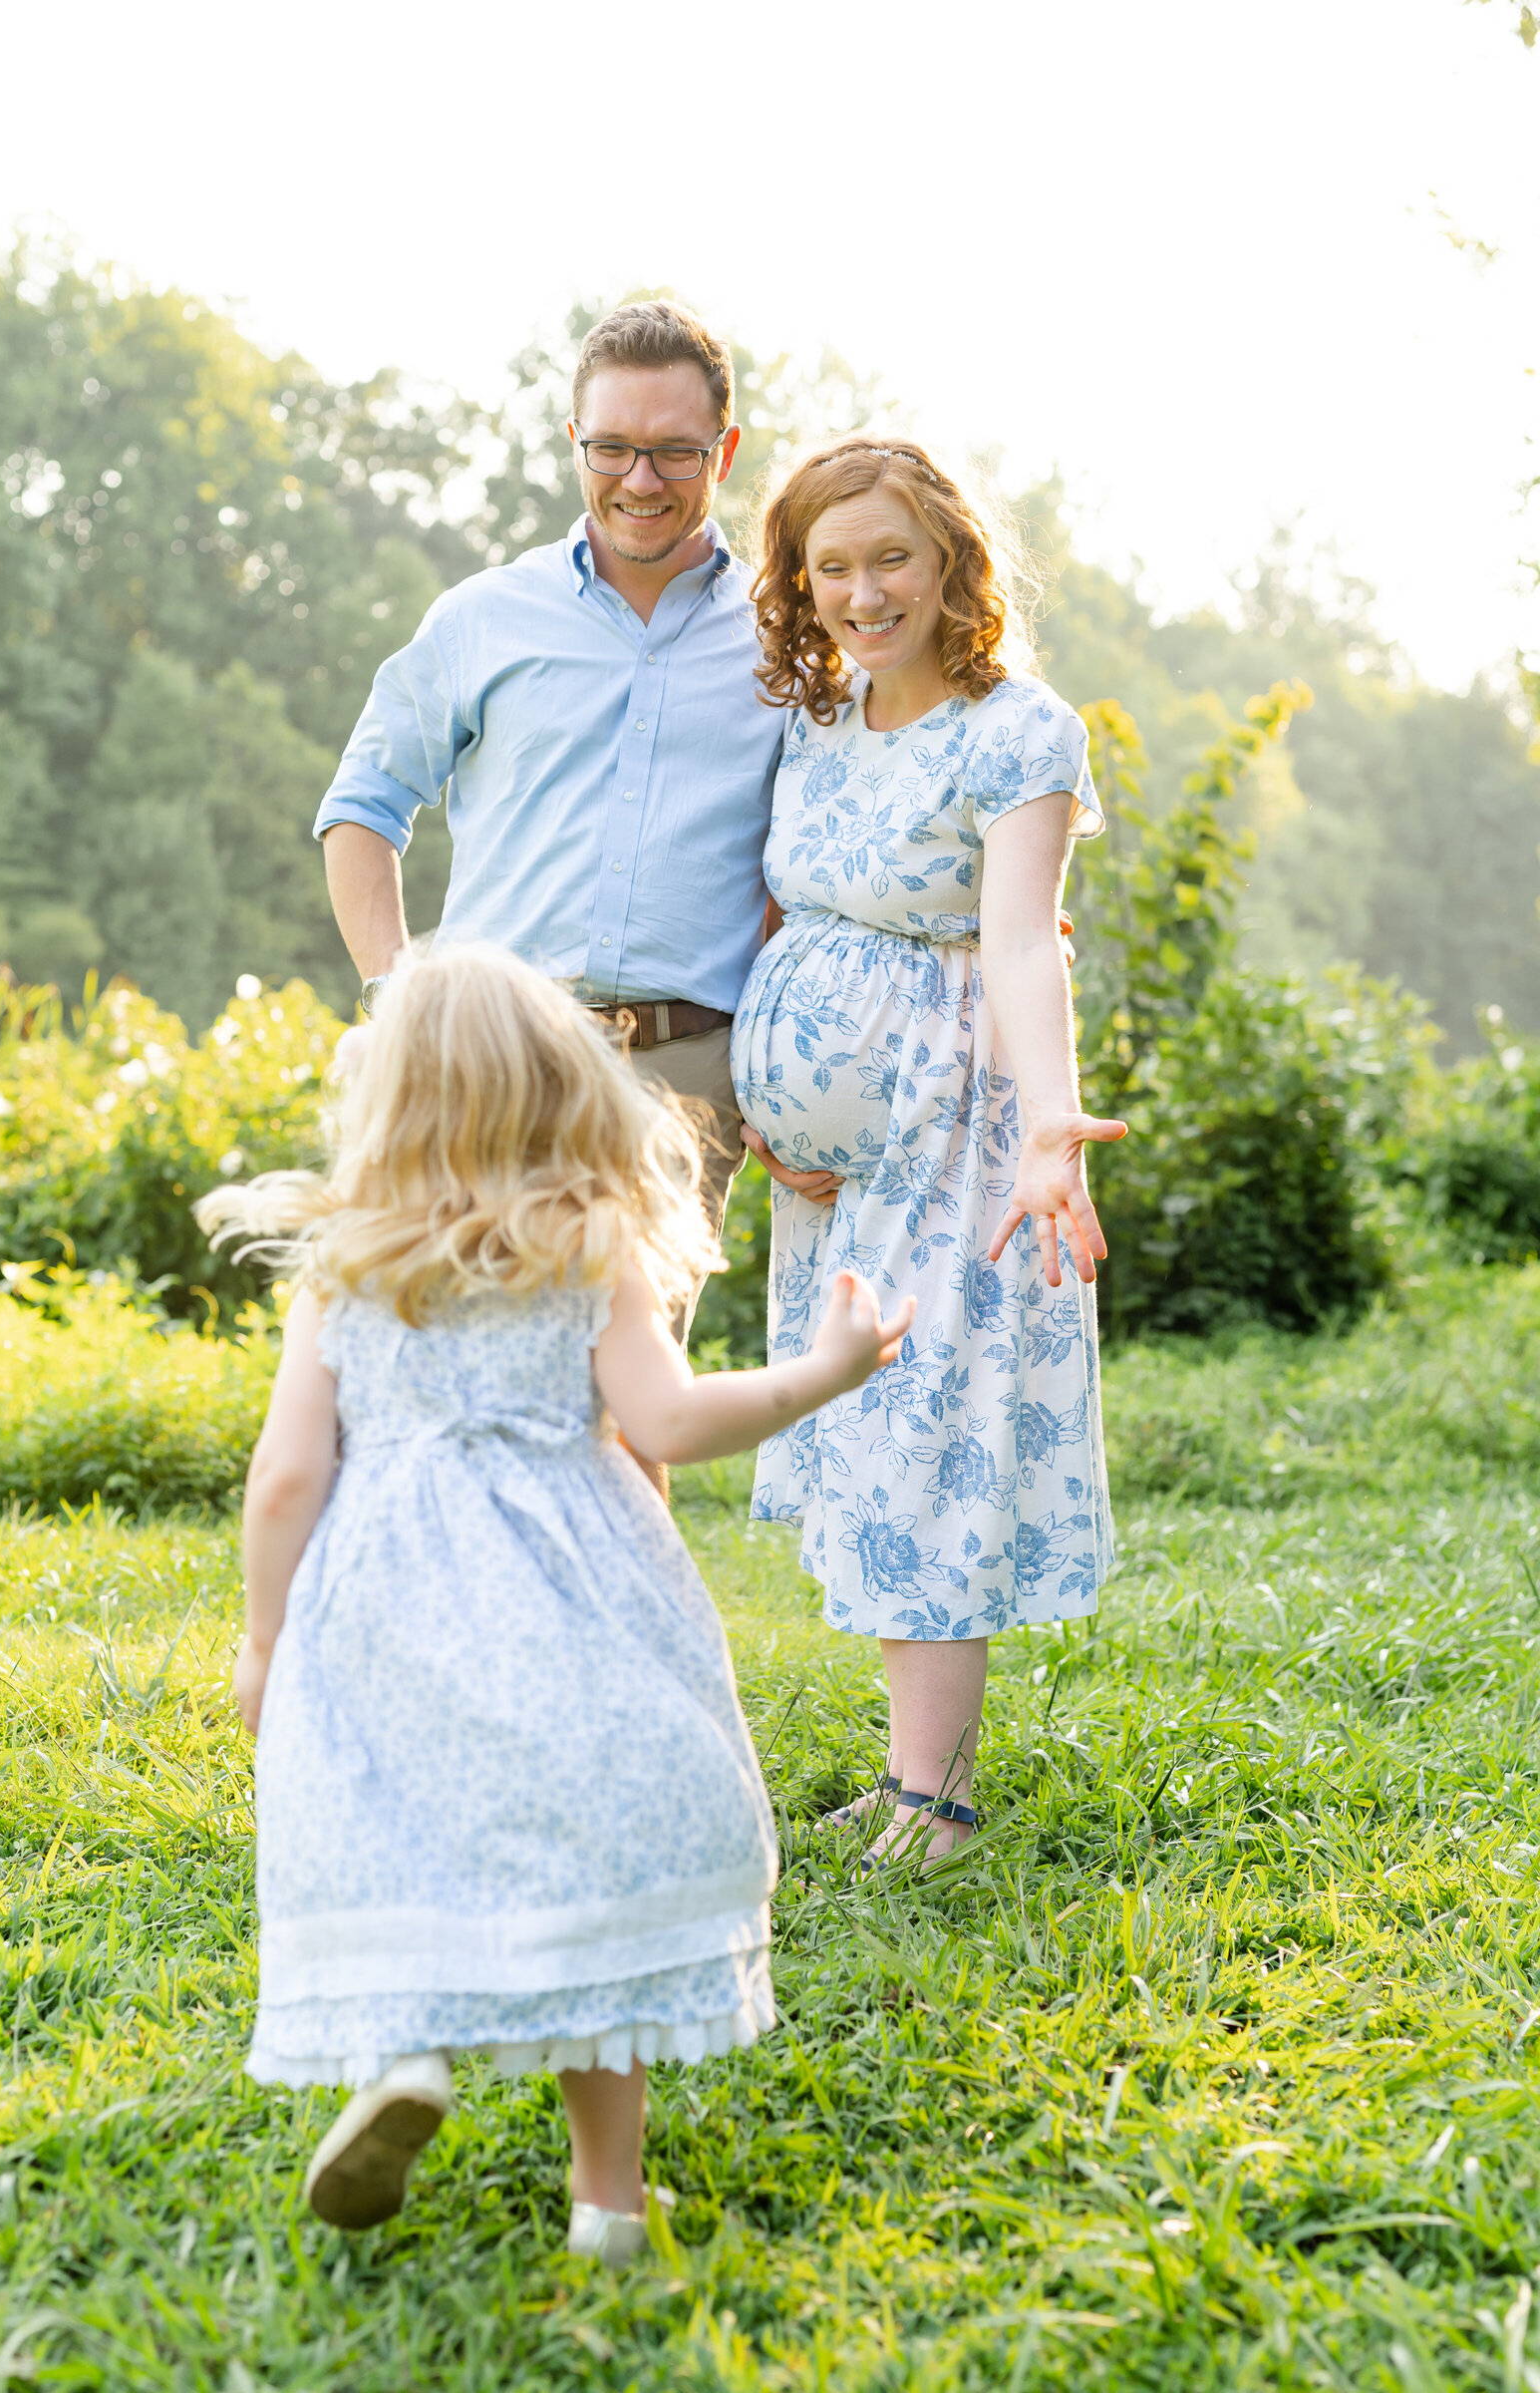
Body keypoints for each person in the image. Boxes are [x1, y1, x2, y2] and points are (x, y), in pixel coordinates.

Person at [198, 943, 911, 2260]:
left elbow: (290, 1474)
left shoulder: (347, 1270)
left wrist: (264, 1637)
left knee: (408, 1823)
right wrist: (824, 1372)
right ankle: (609, 2210)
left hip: (384, 1599)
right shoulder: (589, 1248)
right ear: (562, 1087)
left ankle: (407, 2056)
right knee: (588, 1886)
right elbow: (672, 1421)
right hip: (571, 1592)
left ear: (389, 1101)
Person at [312, 301, 840, 1379]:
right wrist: (397, 997)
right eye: (612, 448)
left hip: (688, 1074)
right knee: (458, 1371)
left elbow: (824, 868)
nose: (639, 479)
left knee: (629, 1397)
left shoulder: (791, 639)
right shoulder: (481, 617)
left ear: (723, 452)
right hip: (487, 1064)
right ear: (573, 443)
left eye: (674, 452)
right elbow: (363, 804)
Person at [731, 439, 1126, 1869]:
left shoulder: (1022, 732)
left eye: (888, 556)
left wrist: (1046, 1136)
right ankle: (909, 1779)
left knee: (927, 1437)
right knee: (863, 1437)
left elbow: (1024, 941)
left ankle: (938, 1805)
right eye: (829, 566)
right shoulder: (816, 722)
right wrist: (776, 1113)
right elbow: (785, 915)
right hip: (837, 1170)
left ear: (951, 559)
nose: (859, 591)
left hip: (955, 1132)